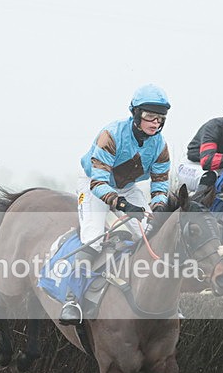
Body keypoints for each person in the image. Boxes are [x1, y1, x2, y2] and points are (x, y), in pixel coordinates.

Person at [59, 84, 172, 325]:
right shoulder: (111, 134)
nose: (155, 123)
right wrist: (122, 205)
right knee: (93, 237)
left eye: (160, 118)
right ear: (136, 114)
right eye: (150, 117)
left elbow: (161, 184)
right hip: (93, 184)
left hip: (127, 187)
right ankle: (72, 300)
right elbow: (99, 184)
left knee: (154, 233)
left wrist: (159, 206)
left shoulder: (160, 145)